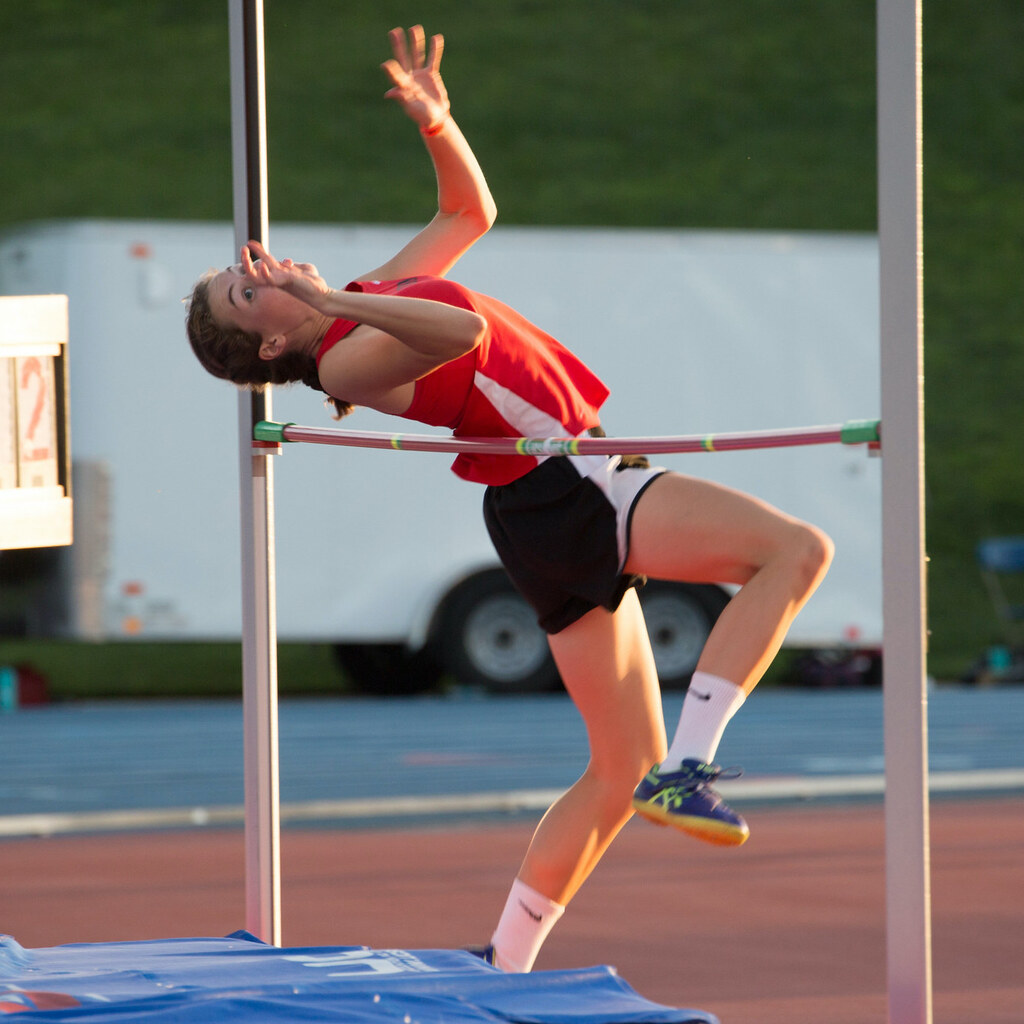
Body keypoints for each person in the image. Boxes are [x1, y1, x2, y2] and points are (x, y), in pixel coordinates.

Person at [187, 26, 833, 974]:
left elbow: (470, 212)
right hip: (562, 486)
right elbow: (456, 330)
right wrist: (330, 305)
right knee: (794, 552)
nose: (256, 269)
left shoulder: (361, 302)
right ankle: (689, 770)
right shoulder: (348, 355)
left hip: (540, 507)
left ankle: (507, 959)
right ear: (272, 349)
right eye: (244, 295)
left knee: (615, 773)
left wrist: (438, 123)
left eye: (241, 267)